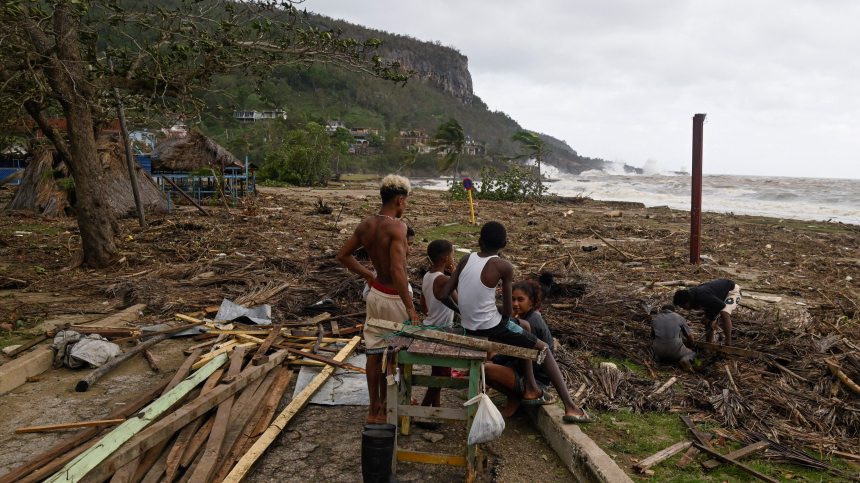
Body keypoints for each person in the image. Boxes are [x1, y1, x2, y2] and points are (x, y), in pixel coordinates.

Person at [439, 221, 596, 423]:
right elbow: (506, 312)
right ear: (504, 244)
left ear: (479, 241)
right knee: (544, 349)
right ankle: (571, 407)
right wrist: (486, 311)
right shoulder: (504, 266)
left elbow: (444, 294)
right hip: (492, 326)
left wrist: (465, 310)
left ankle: (530, 386)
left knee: (525, 327)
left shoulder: (466, 259)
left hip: (470, 325)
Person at [337, 175, 418, 424]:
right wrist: (410, 307)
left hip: (377, 294)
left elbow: (343, 255)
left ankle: (374, 411)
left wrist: (369, 275)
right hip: (394, 297)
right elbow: (397, 271)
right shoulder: (397, 227)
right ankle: (388, 406)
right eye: (405, 203)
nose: (405, 208)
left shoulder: (366, 225)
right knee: (396, 351)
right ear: (400, 200)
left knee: (374, 352)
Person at [485, 275, 558, 417]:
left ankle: (514, 398)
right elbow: (514, 350)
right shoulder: (522, 318)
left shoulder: (532, 323)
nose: (515, 304)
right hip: (521, 370)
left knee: (485, 369)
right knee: (490, 359)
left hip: (535, 381)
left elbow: (533, 362)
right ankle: (512, 397)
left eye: (520, 300)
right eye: (512, 299)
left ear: (532, 301)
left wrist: (499, 364)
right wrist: (496, 360)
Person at [414, 239, 459, 428]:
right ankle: (423, 412)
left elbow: (423, 306)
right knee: (443, 376)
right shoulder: (444, 279)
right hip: (441, 331)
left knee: (437, 372)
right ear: (447, 258)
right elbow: (461, 301)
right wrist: (455, 272)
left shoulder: (427, 277)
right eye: (453, 256)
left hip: (428, 326)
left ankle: (435, 411)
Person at [673, 278, 741, 346]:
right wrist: (711, 319)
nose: (684, 309)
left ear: (687, 301)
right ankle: (708, 344)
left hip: (732, 291)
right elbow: (710, 306)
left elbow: (721, 305)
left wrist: (708, 317)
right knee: (708, 320)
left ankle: (728, 343)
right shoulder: (694, 296)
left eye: (683, 306)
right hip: (718, 297)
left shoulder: (701, 295)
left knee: (724, 313)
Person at [362, 226, 415, 301]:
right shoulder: (391, 265)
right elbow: (366, 294)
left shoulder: (396, 261)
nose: (411, 248)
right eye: (409, 244)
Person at [651, 305, 697, 373]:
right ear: (673, 311)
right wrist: (690, 345)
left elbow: (653, 336)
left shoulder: (655, 319)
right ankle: (685, 359)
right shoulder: (678, 317)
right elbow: (690, 338)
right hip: (675, 349)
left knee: (660, 351)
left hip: (659, 350)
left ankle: (659, 358)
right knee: (692, 353)